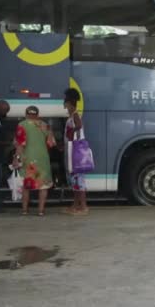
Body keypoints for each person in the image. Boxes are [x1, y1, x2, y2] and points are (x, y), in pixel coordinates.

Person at [14, 106, 56, 216]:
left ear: (26, 114)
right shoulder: (44, 125)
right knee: (43, 186)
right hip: (42, 158)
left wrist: (16, 158)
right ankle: (41, 211)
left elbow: (20, 144)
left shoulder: (22, 125)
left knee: (26, 186)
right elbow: (51, 143)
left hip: (27, 159)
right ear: (37, 114)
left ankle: (24, 210)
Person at [63, 88, 90, 216]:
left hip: (75, 150)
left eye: (66, 103)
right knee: (75, 179)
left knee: (78, 179)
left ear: (69, 103)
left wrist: (71, 133)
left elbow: (78, 126)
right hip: (72, 149)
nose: (65, 106)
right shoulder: (72, 115)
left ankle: (83, 207)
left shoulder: (74, 115)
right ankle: (76, 205)